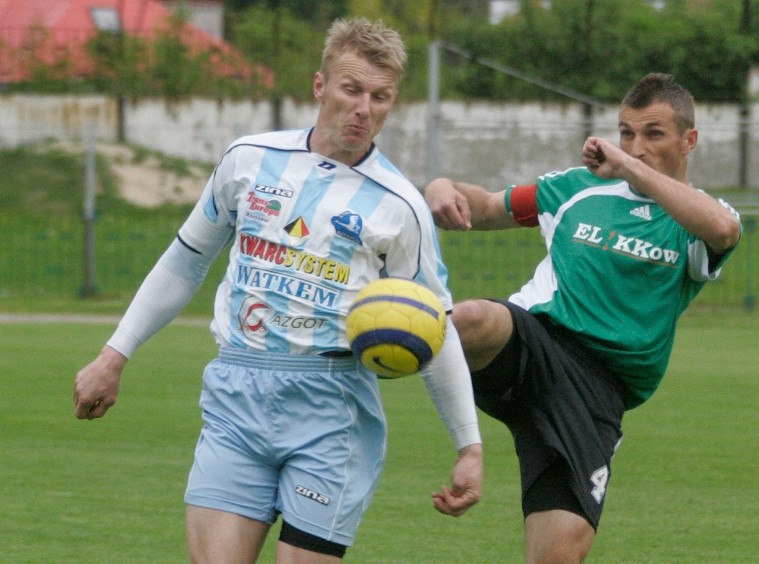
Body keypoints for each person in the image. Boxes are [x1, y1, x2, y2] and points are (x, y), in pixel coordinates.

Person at [74, 18, 483, 563]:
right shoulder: (247, 159)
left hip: (333, 406)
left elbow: (437, 329)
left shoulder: (400, 205)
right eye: (352, 89)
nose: (365, 107)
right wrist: (113, 354)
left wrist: (469, 445)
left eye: (380, 96)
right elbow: (185, 261)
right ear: (320, 86)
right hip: (236, 393)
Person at [424, 73, 741, 563]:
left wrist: (632, 172)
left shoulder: (697, 219)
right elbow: (486, 206)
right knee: (470, 319)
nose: (635, 147)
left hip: (595, 392)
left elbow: (723, 230)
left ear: (689, 140)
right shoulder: (575, 188)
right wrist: (441, 185)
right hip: (534, 343)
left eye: (653, 134)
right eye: (627, 133)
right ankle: (367, 366)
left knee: (556, 557)